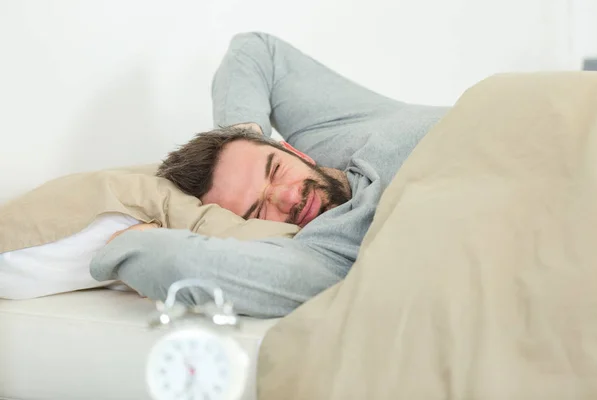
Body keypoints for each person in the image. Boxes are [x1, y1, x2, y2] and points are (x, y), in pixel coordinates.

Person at [89, 32, 449, 318]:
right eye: (259, 210)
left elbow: (255, 50)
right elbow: (176, 262)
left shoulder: (328, 133)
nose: (289, 197)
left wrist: (242, 134)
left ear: (291, 149)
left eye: (275, 169)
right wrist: (132, 241)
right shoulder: (328, 250)